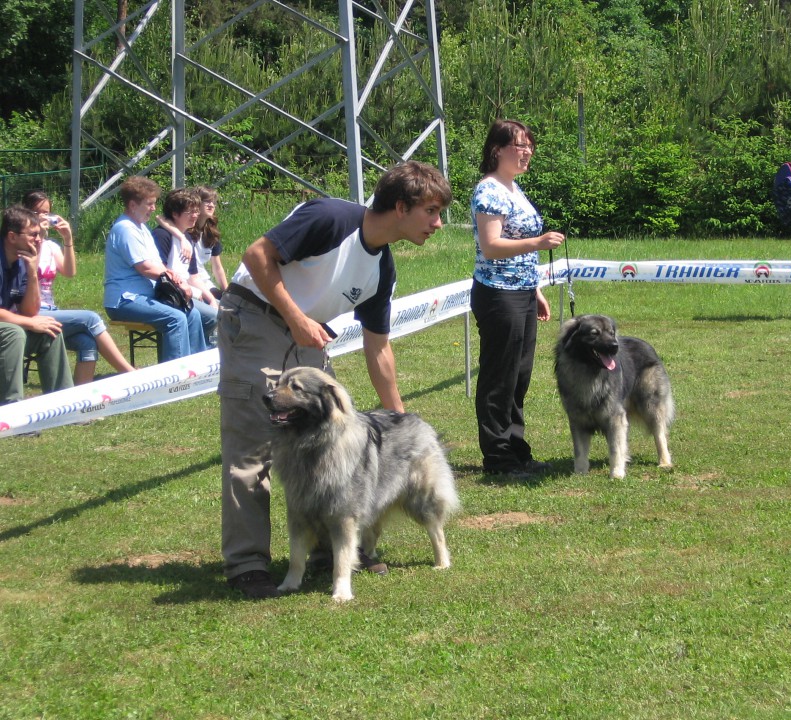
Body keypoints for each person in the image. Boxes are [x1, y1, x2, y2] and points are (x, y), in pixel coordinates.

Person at [219, 160, 452, 599]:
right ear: (401, 207)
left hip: (307, 329)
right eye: (432, 212)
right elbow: (256, 255)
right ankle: (248, 564)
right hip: (255, 314)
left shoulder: (381, 266)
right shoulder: (331, 218)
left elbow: (378, 345)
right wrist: (297, 319)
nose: (438, 224)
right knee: (256, 441)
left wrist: (400, 419)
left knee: (332, 436)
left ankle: (331, 551)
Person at [470, 119, 565, 477]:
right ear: (497, 150)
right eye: (519, 146)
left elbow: (520, 252)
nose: (527, 153)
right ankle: (498, 458)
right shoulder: (489, 191)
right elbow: (492, 247)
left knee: (519, 376)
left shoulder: (514, 188)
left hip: (522, 292)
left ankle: (517, 448)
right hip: (498, 294)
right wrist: (539, 243)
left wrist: (536, 290)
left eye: (529, 146)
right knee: (499, 377)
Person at [22, 190, 135, 384]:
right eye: (37, 212)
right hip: (32, 311)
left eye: (47, 212)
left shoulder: (50, 246)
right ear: (26, 213)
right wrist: (37, 234)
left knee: (87, 341)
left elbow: (69, 272)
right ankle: (129, 372)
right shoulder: (23, 245)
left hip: (51, 309)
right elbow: (30, 265)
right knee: (91, 318)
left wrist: (68, 239)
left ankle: (81, 397)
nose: (43, 217)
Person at [103, 176, 207, 362]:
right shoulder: (125, 229)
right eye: (149, 204)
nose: (153, 208)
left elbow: (158, 264)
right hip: (124, 300)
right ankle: (174, 377)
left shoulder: (141, 228)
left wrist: (175, 281)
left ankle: (197, 369)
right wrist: (180, 283)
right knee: (176, 318)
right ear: (133, 205)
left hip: (146, 296)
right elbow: (146, 267)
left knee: (191, 313)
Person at [1, 206, 73, 405]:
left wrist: (32, 272)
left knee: (50, 329)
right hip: (6, 330)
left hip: (7, 324)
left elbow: (30, 311)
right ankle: (12, 408)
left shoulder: (22, 261)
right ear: (12, 236)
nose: (39, 239)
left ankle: (65, 405)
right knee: (13, 333)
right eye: (33, 235)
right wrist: (29, 323)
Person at [152, 188, 218, 346]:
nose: (195, 215)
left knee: (217, 311)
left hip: (186, 292)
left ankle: (203, 355)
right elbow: (160, 270)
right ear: (175, 214)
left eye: (196, 211)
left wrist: (210, 298)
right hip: (169, 294)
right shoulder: (162, 235)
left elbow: (194, 276)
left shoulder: (187, 237)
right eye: (190, 212)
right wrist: (191, 291)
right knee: (211, 316)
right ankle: (198, 357)